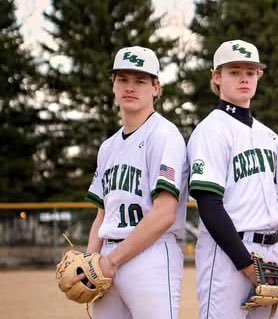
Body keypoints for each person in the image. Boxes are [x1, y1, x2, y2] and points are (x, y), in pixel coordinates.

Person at [189, 40, 278, 319]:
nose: (244, 79)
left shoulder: (270, 137)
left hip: (272, 253)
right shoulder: (210, 131)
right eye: (234, 72)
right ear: (217, 77)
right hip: (229, 255)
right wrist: (247, 265)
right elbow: (209, 205)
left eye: (250, 72)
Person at [83, 46, 187, 319]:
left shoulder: (164, 135)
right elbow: (102, 215)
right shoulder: (108, 147)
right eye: (123, 79)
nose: (130, 87)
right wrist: (89, 261)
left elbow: (164, 213)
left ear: (155, 88)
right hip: (107, 256)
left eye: (140, 81)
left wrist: (111, 262)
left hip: (149, 256)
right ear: (114, 85)